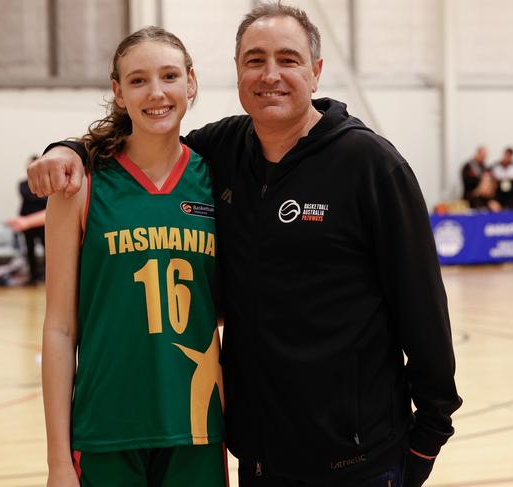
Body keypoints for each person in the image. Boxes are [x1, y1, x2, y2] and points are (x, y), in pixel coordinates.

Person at [29, 4, 462, 486]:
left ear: (316, 72)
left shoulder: (369, 165)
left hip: (350, 456)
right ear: (236, 72)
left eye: (288, 59)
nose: (270, 74)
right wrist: (66, 149)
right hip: (251, 451)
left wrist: (431, 430)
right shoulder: (223, 153)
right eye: (255, 60)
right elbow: (140, 141)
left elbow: (423, 306)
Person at [41, 27, 226, 487]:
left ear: (191, 83)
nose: (156, 92)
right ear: (118, 92)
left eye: (169, 76)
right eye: (138, 80)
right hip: (107, 427)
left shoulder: (219, 179)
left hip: (196, 426)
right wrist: (57, 461)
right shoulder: (79, 184)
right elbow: (60, 328)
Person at [8, 156, 47, 285]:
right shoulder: (23, 184)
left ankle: (47, 275)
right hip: (26, 223)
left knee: (47, 249)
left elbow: (45, 200)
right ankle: (33, 276)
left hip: (43, 222)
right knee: (29, 250)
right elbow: (32, 196)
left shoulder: (47, 183)